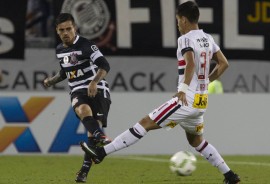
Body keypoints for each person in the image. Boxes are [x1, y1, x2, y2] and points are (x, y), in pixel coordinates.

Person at [80, 1, 240, 184]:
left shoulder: (185, 39)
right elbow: (224, 63)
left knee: (144, 123)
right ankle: (230, 176)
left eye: (178, 20)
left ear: (185, 20)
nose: (178, 24)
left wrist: (183, 90)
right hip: (201, 101)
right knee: (197, 142)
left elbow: (191, 63)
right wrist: (205, 82)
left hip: (186, 100)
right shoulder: (208, 38)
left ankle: (101, 153)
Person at [43, 13, 112, 183]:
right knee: (82, 110)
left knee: (91, 136)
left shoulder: (87, 46)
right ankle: (99, 135)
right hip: (78, 90)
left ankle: (83, 171)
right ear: (57, 31)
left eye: (68, 29)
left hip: (98, 89)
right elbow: (64, 71)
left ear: (75, 28)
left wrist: (94, 82)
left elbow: (105, 65)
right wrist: (52, 81)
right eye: (62, 30)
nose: (66, 32)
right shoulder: (59, 50)